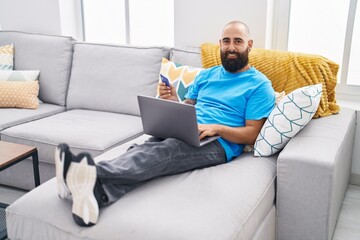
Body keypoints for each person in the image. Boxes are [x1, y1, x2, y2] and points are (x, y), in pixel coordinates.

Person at [55, 20, 275, 227]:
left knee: (165, 152)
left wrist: (216, 128)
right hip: (188, 128)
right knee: (142, 149)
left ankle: (85, 173)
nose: (231, 47)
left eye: (238, 41)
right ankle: (95, 196)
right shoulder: (207, 75)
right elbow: (188, 106)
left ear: (249, 45)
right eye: (226, 41)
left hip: (219, 142)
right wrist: (172, 102)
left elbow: (252, 134)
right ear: (220, 44)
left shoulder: (259, 85)